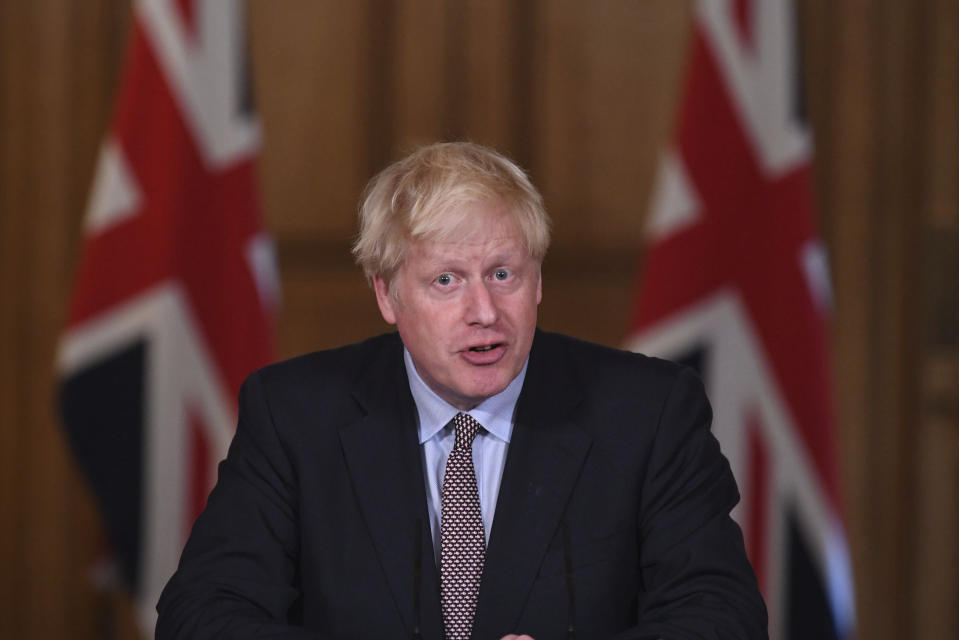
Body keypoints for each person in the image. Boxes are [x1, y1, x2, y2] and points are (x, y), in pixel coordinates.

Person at [156, 142, 767, 639]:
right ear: (387, 294)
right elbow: (202, 616)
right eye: (446, 280)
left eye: (504, 274)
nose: (485, 311)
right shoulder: (294, 415)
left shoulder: (649, 411)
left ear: (537, 282)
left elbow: (723, 615)